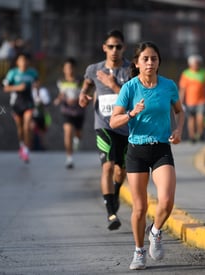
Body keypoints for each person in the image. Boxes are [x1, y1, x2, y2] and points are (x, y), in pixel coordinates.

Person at [110, 41, 185, 270]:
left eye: (154, 58)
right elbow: (114, 121)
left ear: (159, 62)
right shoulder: (130, 88)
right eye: (145, 59)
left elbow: (180, 112)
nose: (150, 62)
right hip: (137, 151)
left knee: (166, 200)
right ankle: (139, 251)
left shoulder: (168, 86)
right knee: (140, 208)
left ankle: (155, 231)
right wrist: (132, 113)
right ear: (137, 63)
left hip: (161, 147)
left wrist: (178, 129)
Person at [79, 30, 130, 230]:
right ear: (104, 48)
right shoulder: (94, 69)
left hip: (126, 128)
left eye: (118, 46)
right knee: (108, 167)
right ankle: (111, 213)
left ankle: (115, 193)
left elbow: (134, 97)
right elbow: (87, 84)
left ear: (123, 48)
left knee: (121, 170)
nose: (114, 50)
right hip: (104, 126)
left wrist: (113, 85)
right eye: (111, 46)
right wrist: (83, 94)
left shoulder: (131, 70)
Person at [3, 52, 38, 163]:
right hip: (16, 103)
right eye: (21, 60)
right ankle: (22, 144)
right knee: (20, 128)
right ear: (17, 62)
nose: (23, 63)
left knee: (27, 126)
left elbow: (38, 83)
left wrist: (36, 86)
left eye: (25, 60)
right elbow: (6, 88)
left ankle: (26, 150)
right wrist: (18, 87)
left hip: (28, 102)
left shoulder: (32, 72)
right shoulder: (12, 73)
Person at [54, 57, 85, 169]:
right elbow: (61, 94)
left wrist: (76, 100)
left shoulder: (80, 81)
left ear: (74, 68)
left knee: (78, 133)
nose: (69, 70)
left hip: (78, 112)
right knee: (67, 132)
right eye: (67, 68)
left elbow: (84, 94)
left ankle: (77, 139)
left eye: (71, 67)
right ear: (63, 69)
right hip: (66, 111)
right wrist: (59, 99)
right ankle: (69, 158)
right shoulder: (61, 81)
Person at [179, 54, 205, 143]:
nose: (196, 65)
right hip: (190, 101)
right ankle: (192, 136)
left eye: (197, 63)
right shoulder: (186, 74)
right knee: (191, 119)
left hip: (202, 100)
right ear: (190, 64)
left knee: (200, 117)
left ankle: (200, 134)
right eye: (194, 63)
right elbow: (183, 89)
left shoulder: (204, 73)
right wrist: (180, 102)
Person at [31, 80, 51, 150]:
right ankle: (32, 145)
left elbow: (47, 101)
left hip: (42, 113)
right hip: (33, 114)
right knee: (32, 128)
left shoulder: (43, 91)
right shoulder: (31, 92)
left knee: (42, 131)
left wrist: (41, 101)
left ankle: (42, 145)